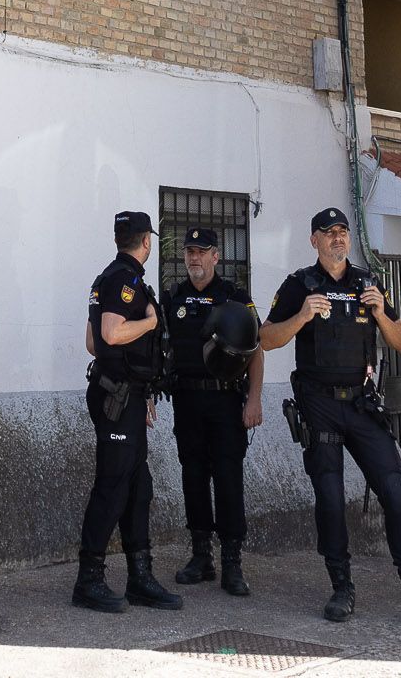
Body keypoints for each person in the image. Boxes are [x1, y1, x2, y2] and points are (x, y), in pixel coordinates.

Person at [257, 206, 401, 630]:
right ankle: (342, 587)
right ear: (314, 240)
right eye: (328, 232)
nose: (338, 238)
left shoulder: (368, 282)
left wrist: (381, 313)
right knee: (329, 497)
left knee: (396, 492)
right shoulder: (298, 285)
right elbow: (266, 339)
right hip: (320, 405)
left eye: (342, 231)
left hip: (362, 404)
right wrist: (302, 316)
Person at [74, 210, 183, 613]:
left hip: (127, 396)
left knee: (139, 490)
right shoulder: (125, 280)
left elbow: (92, 343)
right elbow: (109, 334)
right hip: (117, 399)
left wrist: (142, 389)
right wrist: (151, 323)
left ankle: (140, 577)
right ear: (147, 242)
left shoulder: (106, 277)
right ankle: (89, 579)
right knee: (113, 486)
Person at [162, 226, 264, 596]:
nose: (194, 258)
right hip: (187, 402)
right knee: (193, 478)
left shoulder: (233, 297)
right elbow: (160, 348)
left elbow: (256, 348)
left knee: (227, 480)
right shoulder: (173, 297)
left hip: (224, 402)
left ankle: (233, 563)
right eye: (189, 251)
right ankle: (201, 556)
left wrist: (254, 399)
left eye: (202, 251)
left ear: (216, 257)